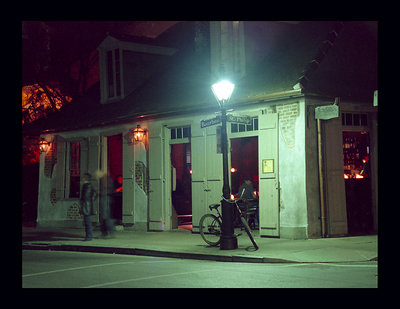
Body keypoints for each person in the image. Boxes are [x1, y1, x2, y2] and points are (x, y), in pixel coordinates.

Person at [80, 173, 97, 241]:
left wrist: (89, 201)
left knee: (87, 222)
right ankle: (88, 236)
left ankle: (89, 236)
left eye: (83, 178)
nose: (82, 179)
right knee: (87, 222)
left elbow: (85, 197)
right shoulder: (87, 185)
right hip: (87, 205)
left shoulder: (87, 186)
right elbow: (94, 194)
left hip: (86, 206)